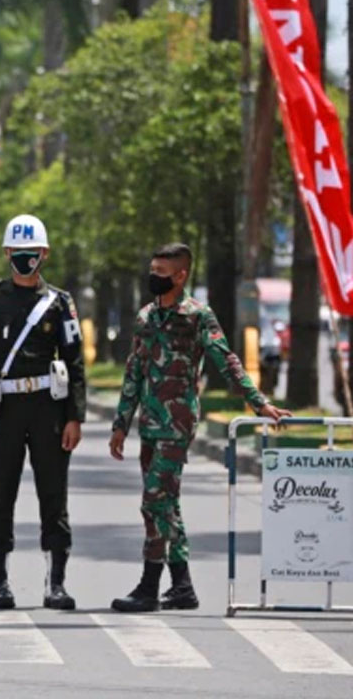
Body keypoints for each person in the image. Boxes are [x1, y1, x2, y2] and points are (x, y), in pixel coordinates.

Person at [108, 243, 290, 612]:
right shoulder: (146, 317)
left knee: (153, 502)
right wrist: (120, 424)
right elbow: (133, 372)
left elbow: (227, 361)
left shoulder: (197, 316)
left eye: (161, 271)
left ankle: (148, 586)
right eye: (152, 268)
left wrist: (259, 403)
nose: (153, 276)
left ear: (180, 275)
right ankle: (183, 587)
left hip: (177, 423)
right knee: (167, 504)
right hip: (149, 423)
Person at [0, 214, 86, 610]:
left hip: (49, 408)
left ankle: (55, 584)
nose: (26, 259)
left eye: (33, 253)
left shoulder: (60, 302)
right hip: (5, 410)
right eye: (18, 253)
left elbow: (74, 360)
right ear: (7, 253)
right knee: (1, 493)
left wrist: (75, 416)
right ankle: (0, 584)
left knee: (53, 496)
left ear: (45, 254)